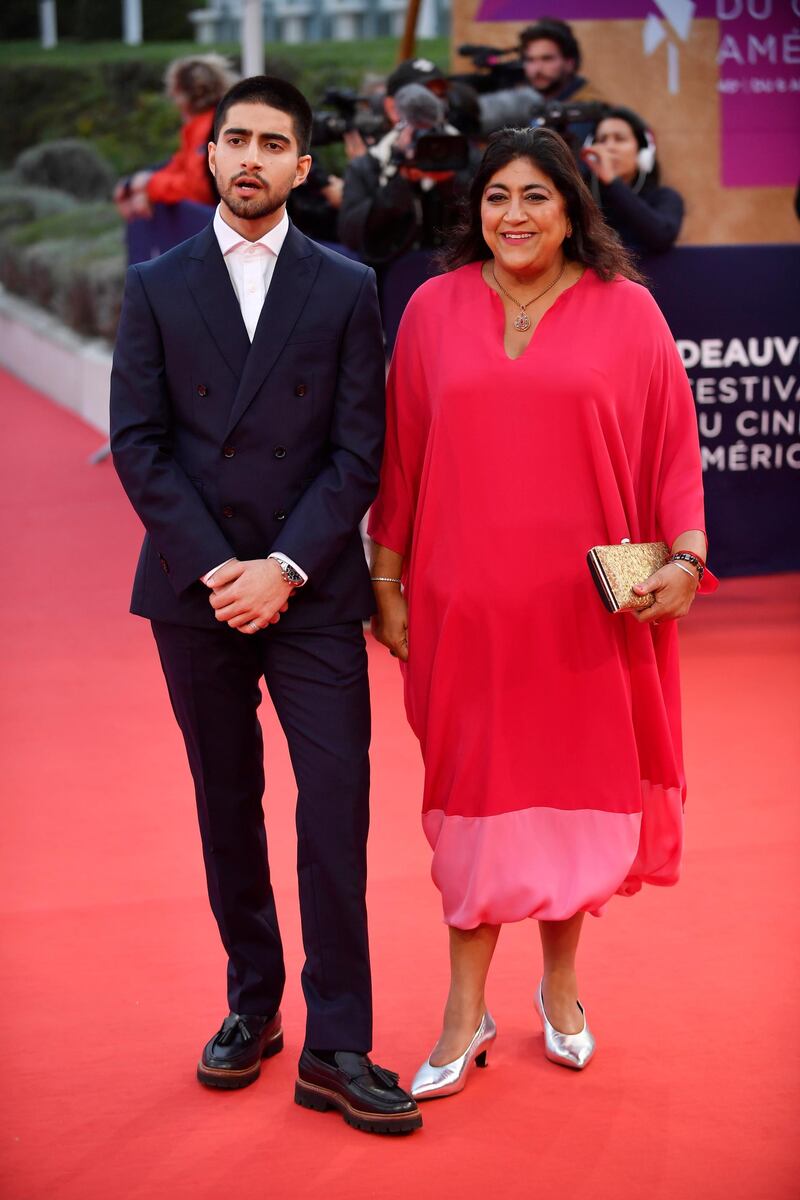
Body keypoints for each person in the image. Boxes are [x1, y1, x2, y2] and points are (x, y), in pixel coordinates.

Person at [368, 126, 715, 1101]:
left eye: (534, 197)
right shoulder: (431, 311)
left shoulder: (629, 313)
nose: (512, 216)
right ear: (471, 210)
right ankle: (461, 1008)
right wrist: (385, 586)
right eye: (494, 199)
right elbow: (399, 462)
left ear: (572, 207)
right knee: (474, 812)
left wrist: (685, 558)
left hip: (582, 612)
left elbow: (669, 457)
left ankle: (559, 990)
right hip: (460, 612)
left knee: (564, 804)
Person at [110, 74, 421, 1136]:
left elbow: (355, 449)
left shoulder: (343, 284)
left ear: (301, 165)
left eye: (271, 142)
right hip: (197, 593)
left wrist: (281, 567)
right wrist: (220, 570)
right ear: (211, 156)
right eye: (233, 138)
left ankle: (337, 1040)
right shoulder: (156, 284)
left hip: (313, 587)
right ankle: (253, 1005)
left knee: (334, 807)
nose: (248, 156)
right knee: (225, 804)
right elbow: (141, 446)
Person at [338, 64, 474, 269]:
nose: (429, 104)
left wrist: (450, 183)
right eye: (417, 97)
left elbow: (481, 226)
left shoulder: (467, 155)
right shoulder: (370, 164)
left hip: (457, 279)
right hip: (389, 283)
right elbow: (352, 236)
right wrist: (401, 180)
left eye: (439, 96)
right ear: (393, 107)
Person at [113, 54, 236, 220]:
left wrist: (150, 185)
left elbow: (200, 189)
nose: (174, 101)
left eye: (175, 94)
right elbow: (179, 164)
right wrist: (137, 182)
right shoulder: (207, 123)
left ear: (184, 96)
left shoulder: (211, 128)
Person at [581, 106, 684, 254]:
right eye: (602, 140)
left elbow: (660, 238)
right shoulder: (582, 197)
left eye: (619, 139)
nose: (609, 147)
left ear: (643, 152)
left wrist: (612, 181)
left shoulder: (665, 197)